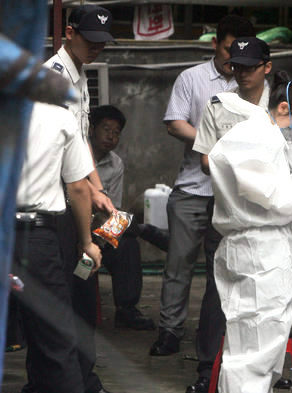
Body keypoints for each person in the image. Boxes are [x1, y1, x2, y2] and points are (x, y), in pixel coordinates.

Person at [151, 15, 254, 390]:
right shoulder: (191, 78)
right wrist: (214, 144)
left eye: (242, 54)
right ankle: (170, 331)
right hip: (193, 189)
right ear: (216, 44)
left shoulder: (253, 84)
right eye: (230, 50)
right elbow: (174, 122)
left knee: (221, 273)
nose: (235, 60)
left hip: (232, 196)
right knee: (178, 265)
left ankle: (212, 342)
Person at [208, 70, 292, 393]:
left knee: (261, 343)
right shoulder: (256, 135)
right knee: (253, 348)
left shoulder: (267, 134)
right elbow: (266, 191)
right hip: (257, 248)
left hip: (267, 246)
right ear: (285, 109)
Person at [187, 36, 272, 393]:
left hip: (269, 219)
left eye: (250, 67)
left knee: (265, 296)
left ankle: (262, 371)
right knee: (218, 293)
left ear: (267, 67)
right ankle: (208, 370)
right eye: (236, 67)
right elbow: (206, 159)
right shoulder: (218, 106)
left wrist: (234, 163)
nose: (242, 74)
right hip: (226, 213)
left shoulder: (280, 105)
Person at [44, 5, 115, 393]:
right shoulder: (53, 80)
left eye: (103, 43)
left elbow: (81, 142)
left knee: (84, 292)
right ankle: (71, 381)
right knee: (72, 296)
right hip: (59, 206)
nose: (97, 49)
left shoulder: (79, 73)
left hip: (80, 199)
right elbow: (60, 157)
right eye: (91, 41)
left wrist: (99, 188)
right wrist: (89, 197)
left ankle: (79, 378)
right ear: (69, 33)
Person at [13, 102, 102, 393]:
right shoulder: (59, 116)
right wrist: (86, 242)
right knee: (54, 338)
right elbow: (78, 186)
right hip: (35, 238)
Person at [89, 105, 155, 330]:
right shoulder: (75, 154)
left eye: (116, 132)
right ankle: (146, 230)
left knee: (127, 245)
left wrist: (101, 238)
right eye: (106, 129)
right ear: (91, 129)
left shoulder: (115, 163)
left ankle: (126, 310)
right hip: (72, 227)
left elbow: (112, 210)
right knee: (130, 227)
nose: (111, 136)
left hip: (99, 228)